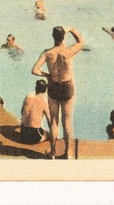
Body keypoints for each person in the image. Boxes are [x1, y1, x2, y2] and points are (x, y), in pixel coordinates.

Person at [32, 25, 84, 159]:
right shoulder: (68, 51)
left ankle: (53, 152)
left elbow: (34, 70)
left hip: (54, 86)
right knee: (67, 121)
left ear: (53, 36)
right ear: (63, 37)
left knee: (54, 121)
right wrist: (72, 29)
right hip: (67, 86)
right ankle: (68, 153)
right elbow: (81, 42)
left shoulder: (47, 53)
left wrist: (47, 75)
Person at [19, 79, 50, 144]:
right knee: (48, 134)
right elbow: (50, 122)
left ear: (36, 88)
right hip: (34, 135)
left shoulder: (28, 97)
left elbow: (22, 112)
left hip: (22, 133)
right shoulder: (44, 102)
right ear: (45, 90)